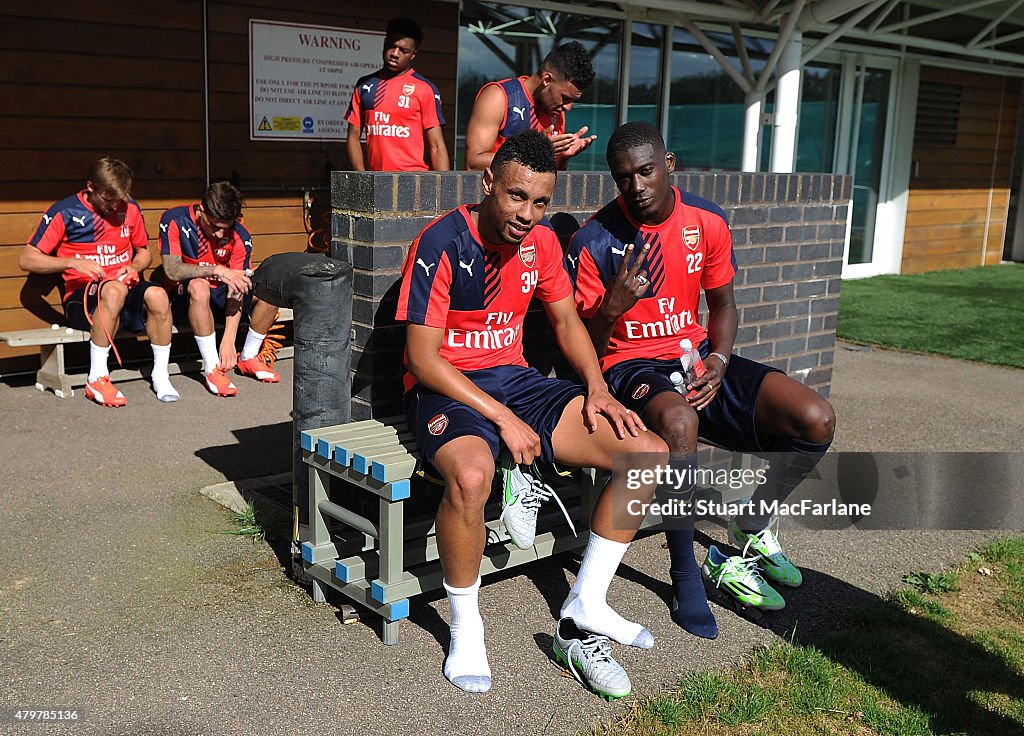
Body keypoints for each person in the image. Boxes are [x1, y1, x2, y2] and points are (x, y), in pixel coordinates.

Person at [395, 131, 666, 697]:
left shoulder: (540, 244)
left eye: (541, 202)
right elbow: (422, 359)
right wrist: (501, 418)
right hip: (448, 386)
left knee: (645, 453)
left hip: (515, 380)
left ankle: (585, 604)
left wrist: (597, 386)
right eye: (517, 196)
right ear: (488, 182)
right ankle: (467, 627)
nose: (528, 214)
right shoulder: (441, 241)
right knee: (472, 477)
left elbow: (567, 323)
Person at [567, 121, 836, 638]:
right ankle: (687, 574)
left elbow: (724, 305)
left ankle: (751, 524)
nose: (636, 186)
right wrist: (610, 309)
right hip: (630, 366)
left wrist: (721, 360)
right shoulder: (595, 239)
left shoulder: (706, 220)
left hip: (695, 358)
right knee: (678, 420)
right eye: (623, 178)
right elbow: (585, 355)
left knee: (815, 419)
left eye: (646, 171)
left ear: (669, 166)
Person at [20, 156, 178, 406]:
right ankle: (98, 377)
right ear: (90, 187)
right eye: (108, 199)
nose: (115, 206)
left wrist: (134, 266)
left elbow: (144, 252)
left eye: (120, 199)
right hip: (83, 296)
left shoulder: (131, 207)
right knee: (113, 291)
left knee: (158, 295)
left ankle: (161, 374)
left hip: (124, 286)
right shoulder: (65, 211)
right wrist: (72, 262)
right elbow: (27, 259)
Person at [159, 181, 281, 396]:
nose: (218, 234)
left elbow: (238, 288)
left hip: (224, 299)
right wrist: (217, 270)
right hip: (186, 300)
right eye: (214, 226)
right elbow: (171, 270)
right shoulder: (175, 219)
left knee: (271, 290)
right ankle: (212, 367)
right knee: (199, 286)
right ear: (201, 210)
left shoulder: (239, 235)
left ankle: (248, 357)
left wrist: (228, 340)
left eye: (225, 228)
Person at [464, 41, 598, 171]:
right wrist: (533, 154)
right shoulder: (499, 97)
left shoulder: (556, 112)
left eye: (573, 100)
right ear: (547, 80)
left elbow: (548, 177)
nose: (568, 107)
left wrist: (563, 158)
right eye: (565, 98)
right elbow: (473, 163)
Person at [345, 17, 449, 172]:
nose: (395, 53)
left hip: (413, 181)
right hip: (377, 181)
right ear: (384, 43)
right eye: (391, 46)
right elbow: (353, 136)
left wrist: (444, 191)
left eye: (404, 51)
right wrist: (362, 179)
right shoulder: (365, 85)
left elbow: (437, 145)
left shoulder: (424, 88)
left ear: (413, 54)